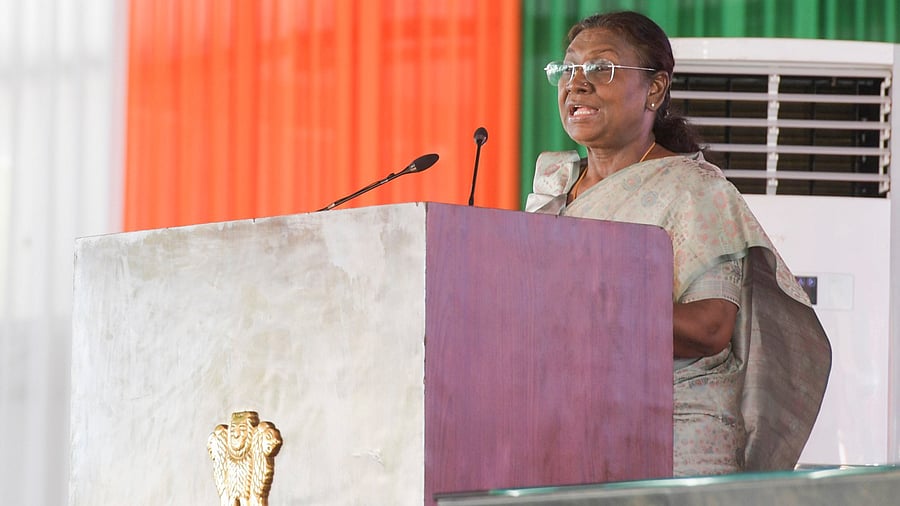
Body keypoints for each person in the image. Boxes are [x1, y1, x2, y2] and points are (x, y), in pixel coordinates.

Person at [526, 11, 831, 477]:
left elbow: (710, 328)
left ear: (654, 88)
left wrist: (591, 315)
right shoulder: (552, 190)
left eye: (601, 68)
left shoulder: (695, 188)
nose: (577, 84)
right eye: (568, 69)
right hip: (570, 432)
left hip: (675, 441)